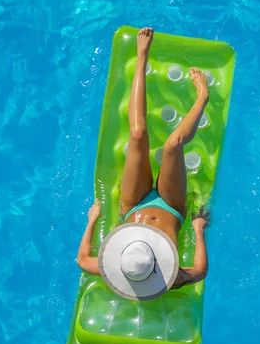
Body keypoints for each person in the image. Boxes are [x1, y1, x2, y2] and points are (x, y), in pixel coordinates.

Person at [77, 27, 211, 300]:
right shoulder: (170, 278)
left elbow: (82, 260)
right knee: (173, 145)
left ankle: (141, 58)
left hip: (133, 206)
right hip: (171, 209)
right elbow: (199, 271)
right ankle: (203, 98)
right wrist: (197, 230)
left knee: (137, 134)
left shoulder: (111, 267)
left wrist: (91, 221)